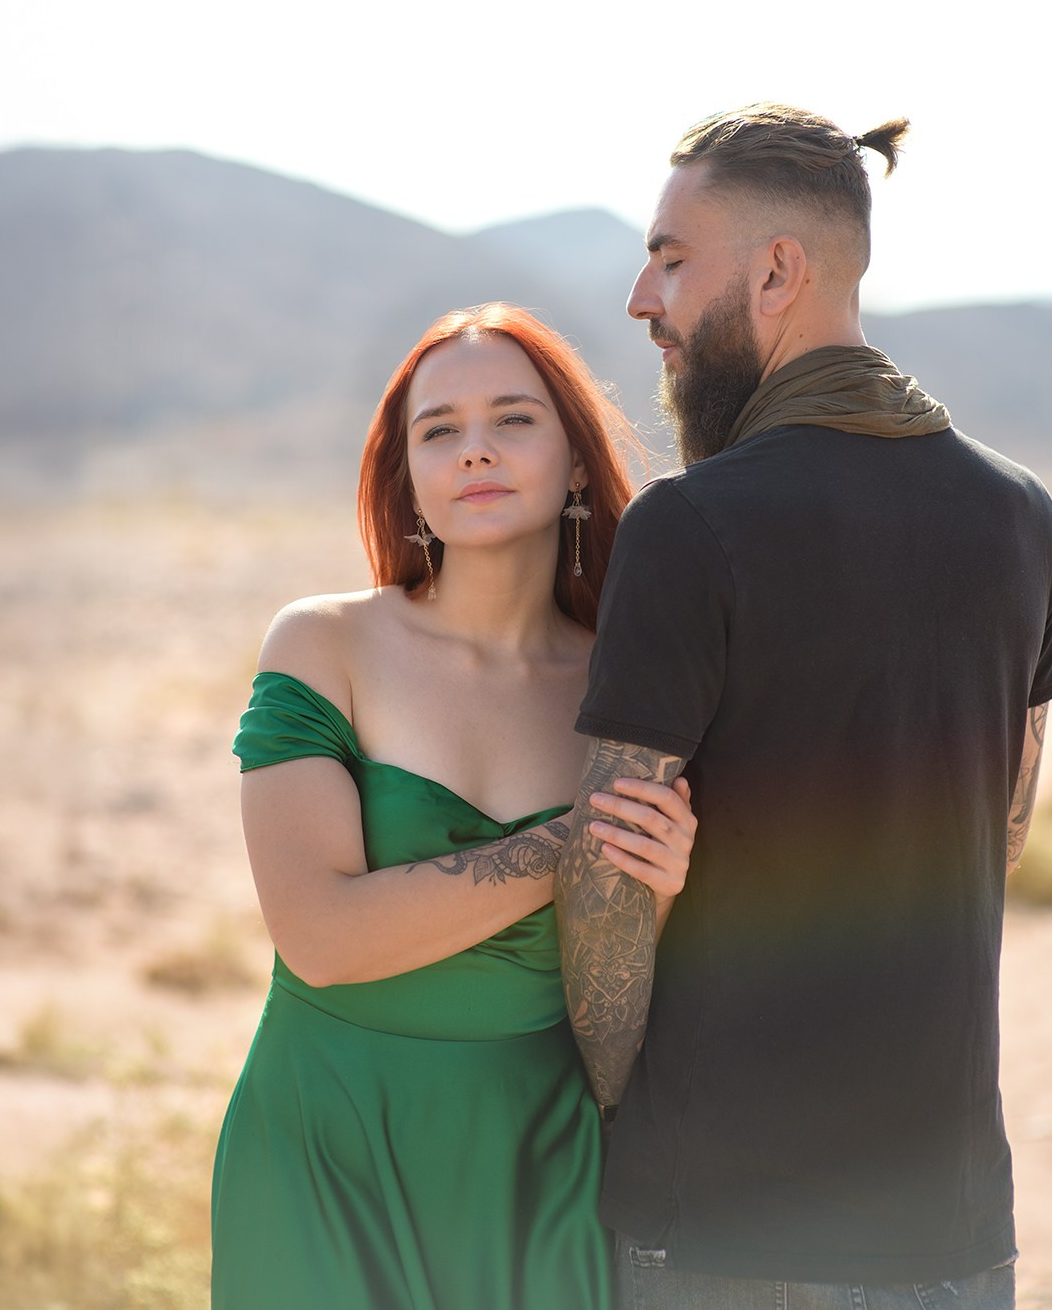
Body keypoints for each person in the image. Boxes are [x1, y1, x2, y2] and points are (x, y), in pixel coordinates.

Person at [556, 104, 1052, 1310]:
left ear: (778, 271)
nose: (641, 299)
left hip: (727, 1226)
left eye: (672, 259)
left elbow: (610, 871)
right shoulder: (1021, 513)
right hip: (953, 1229)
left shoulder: (689, 524)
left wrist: (622, 1108)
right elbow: (1002, 828)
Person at [211, 302, 697, 1310]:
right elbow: (321, 939)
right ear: (409, 477)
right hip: (325, 1141)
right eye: (439, 431)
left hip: (542, 1156)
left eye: (513, 419)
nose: (475, 450)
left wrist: (659, 886)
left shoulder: (632, 684)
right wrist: (578, 840)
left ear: (576, 462)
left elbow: (629, 979)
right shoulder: (323, 643)